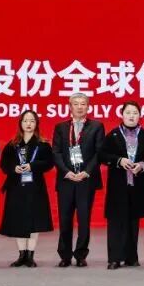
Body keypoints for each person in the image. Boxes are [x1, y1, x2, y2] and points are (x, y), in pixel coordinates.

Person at [102, 101, 144, 270]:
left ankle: (131, 257)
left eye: (135, 113)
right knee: (115, 222)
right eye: (128, 112)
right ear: (122, 115)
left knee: (133, 222)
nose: (131, 116)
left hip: (137, 185)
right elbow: (102, 155)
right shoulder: (113, 135)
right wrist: (119, 160)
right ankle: (114, 258)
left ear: (140, 115)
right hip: (118, 185)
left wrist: (142, 164)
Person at [52, 93, 105, 267]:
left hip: (86, 180)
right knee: (65, 219)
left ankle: (81, 255)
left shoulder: (97, 126)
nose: (80, 107)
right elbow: (56, 152)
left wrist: (86, 172)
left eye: (83, 104)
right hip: (66, 180)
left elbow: (99, 152)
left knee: (84, 220)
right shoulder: (61, 127)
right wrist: (66, 172)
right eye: (76, 104)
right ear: (70, 107)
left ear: (88, 107)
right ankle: (65, 256)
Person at [0, 110, 55, 268]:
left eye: (32, 121)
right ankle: (21, 255)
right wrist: (14, 168)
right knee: (18, 220)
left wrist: (33, 166)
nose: (28, 124)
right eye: (25, 121)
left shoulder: (43, 144)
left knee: (34, 220)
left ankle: (30, 255)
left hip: (35, 187)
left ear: (36, 124)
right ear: (20, 123)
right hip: (16, 187)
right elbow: (3, 164)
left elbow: (49, 163)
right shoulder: (12, 144)